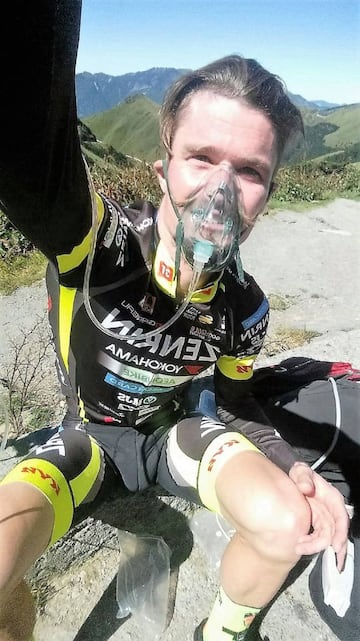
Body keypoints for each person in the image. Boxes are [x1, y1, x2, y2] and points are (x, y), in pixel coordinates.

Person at [0, 2, 350, 641]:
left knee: (284, 523)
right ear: (163, 168)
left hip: (177, 437)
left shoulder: (247, 305)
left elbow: (236, 397)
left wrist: (286, 462)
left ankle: (222, 633)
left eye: (249, 172)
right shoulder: (95, 242)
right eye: (202, 156)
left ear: (267, 199)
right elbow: (26, 146)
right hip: (89, 440)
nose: (220, 190)